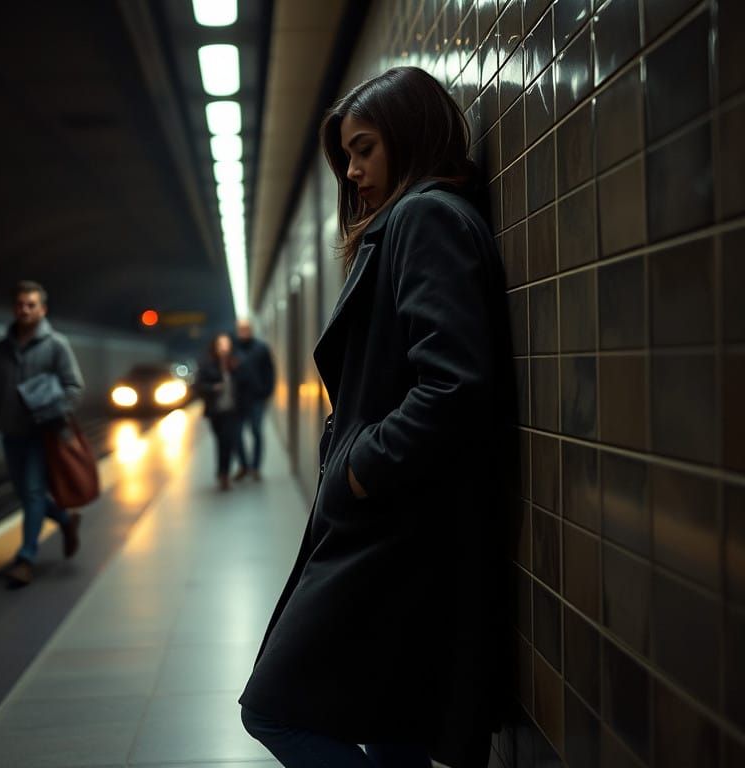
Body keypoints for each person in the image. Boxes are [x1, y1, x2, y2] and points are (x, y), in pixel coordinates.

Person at [240, 67, 517, 768]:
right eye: (347, 158)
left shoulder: (425, 218)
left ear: (409, 134)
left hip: (399, 533)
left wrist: (360, 468)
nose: (354, 172)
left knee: (274, 709)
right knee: (398, 731)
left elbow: (454, 382)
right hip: (408, 532)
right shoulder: (418, 221)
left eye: (364, 150)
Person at [0, 281, 85, 586]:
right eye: (20, 304)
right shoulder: (1, 350)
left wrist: (48, 408)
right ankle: (66, 520)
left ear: (43, 309)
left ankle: (26, 557)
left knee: (34, 492)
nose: (24, 310)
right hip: (11, 434)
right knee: (24, 494)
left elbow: (75, 388)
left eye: (31, 305)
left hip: (43, 435)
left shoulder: (56, 345)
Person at [195, 332, 241, 491]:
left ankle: (224, 474)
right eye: (221, 344)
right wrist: (213, 388)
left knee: (228, 442)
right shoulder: (207, 364)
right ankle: (222, 473)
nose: (224, 347)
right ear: (215, 347)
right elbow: (199, 386)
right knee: (221, 442)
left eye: (226, 344)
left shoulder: (234, 362)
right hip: (216, 411)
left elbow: (245, 382)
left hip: (232, 410)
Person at [231, 318, 275, 481]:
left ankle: (255, 468)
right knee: (236, 435)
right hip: (237, 400)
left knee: (256, 432)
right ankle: (243, 466)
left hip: (256, 399)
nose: (244, 332)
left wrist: (267, 392)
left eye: (246, 329)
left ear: (252, 330)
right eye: (241, 329)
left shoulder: (261, 348)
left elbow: (270, 372)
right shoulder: (232, 349)